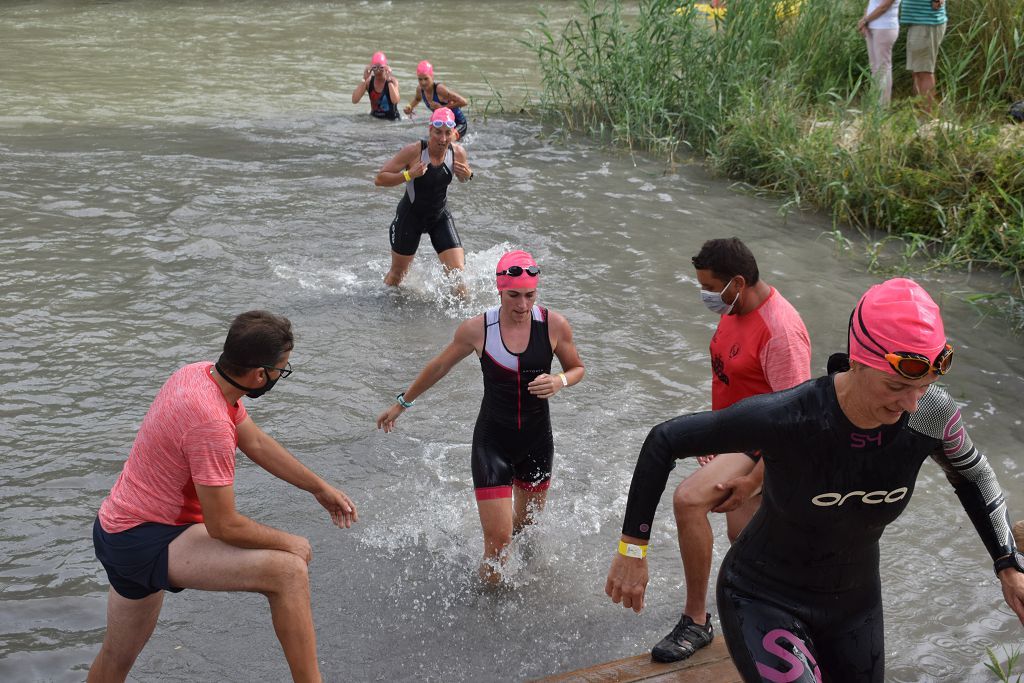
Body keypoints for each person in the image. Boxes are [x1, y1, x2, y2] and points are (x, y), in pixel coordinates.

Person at [606, 278, 1024, 682]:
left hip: (855, 608)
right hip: (763, 597)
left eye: (925, 384)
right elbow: (665, 440)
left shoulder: (932, 413)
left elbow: (974, 475)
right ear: (859, 360)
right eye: (896, 385)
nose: (911, 402)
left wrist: (1007, 563)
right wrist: (632, 548)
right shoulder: (792, 415)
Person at [88, 311, 358, 683]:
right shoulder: (209, 422)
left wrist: (318, 487)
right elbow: (224, 525)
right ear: (260, 375)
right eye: (283, 369)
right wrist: (292, 542)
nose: (282, 375)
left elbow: (255, 440)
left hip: (115, 527)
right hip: (146, 539)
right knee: (288, 572)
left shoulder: (197, 374)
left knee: (115, 659)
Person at [376, 250, 584, 582]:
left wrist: (559, 380)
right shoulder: (478, 329)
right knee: (498, 544)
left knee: (526, 532)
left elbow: (577, 368)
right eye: (513, 295)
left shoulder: (553, 325)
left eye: (530, 295)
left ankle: (521, 602)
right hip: (492, 443)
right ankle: (485, 605)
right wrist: (402, 403)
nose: (522, 305)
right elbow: (440, 366)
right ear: (499, 290)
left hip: (537, 442)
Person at [650, 238, 811, 663]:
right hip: (734, 441)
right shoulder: (736, 308)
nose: (705, 296)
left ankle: (696, 621)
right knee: (748, 541)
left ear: (737, 282)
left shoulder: (781, 332)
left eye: (710, 287)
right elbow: (732, 379)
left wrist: (752, 477)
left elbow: (794, 422)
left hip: (762, 450)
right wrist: (714, 438)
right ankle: (780, 622)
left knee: (688, 501)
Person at [374, 107, 472, 287]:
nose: (442, 139)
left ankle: (462, 314)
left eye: (447, 133)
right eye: (438, 133)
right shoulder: (414, 151)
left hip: (439, 217)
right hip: (410, 218)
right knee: (397, 276)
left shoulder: (457, 153)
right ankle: (384, 312)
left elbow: (464, 178)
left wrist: (467, 175)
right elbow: (380, 179)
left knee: (458, 277)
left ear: (453, 133)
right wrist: (408, 175)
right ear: (430, 130)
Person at [403, 60, 469, 139]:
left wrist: (442, 108)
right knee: (431, 143)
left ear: (432, 77)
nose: (423, 82)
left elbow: (464, 102)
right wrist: (409, 107)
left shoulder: (439, 89)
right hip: (442, 125)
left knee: (447, 141)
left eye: (426, 79)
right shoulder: (420, 89)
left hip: (458, 123)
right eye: (420, 79)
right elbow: (417, 99)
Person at [901, 0, 947, 110]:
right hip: (919, 22)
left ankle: (927, 119)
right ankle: (920, 115)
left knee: (924, 72)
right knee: (917, 71)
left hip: (926, 23)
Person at [858, 0, 901, 107]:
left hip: (885, 27)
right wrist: (864, 21)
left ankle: (883, 106)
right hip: (871, 26)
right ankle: (874, 103)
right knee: (874, 67)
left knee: (883, 67)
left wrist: (865, 20)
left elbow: (884, 7)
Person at [351, 51, 400, 120]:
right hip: (375, 119)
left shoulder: (392, 81)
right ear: (371, 68)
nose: (378, 71)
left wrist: (388, 80)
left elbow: (395, 101)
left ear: (386, 67)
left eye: (381, 68)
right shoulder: (368, 82)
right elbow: (354, 100)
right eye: (375, 68)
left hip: (392, 120)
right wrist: (364, 79)